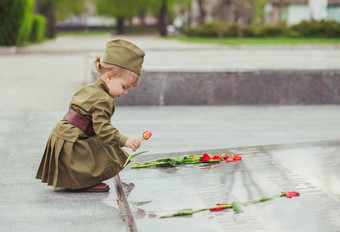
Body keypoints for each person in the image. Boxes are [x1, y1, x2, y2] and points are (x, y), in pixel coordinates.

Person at [36, 39, 145, 192]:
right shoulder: (103, 100)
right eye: (124, 87)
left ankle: (77, 176)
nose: (125, 93)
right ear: (109, 77)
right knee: (106, 147)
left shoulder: (89, 88)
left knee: (101, 143)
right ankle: (85, 180)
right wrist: (124, 140)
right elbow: (104, 129)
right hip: (73, 142)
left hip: (61, 136)